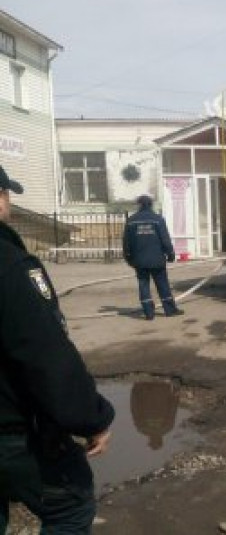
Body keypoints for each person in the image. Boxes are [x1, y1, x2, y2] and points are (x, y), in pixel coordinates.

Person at [0, 165, 115, 533]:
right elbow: (45, 354)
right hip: (13, 436)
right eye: (6, 195)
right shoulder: (10, 266)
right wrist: (91, 418)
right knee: (71, 506)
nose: (10, 205)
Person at [122, 195, 184, 320]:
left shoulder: (131, 221)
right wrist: (170, 254)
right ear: (150, 205)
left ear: (139, 205)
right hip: (157, 260)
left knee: (143, 285)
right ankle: (169, 310)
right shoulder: (158, 219)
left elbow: (126, 242)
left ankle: (148, 313)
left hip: (139, 260)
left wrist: (128, 257)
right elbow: (164, 239)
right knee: (162, 284)